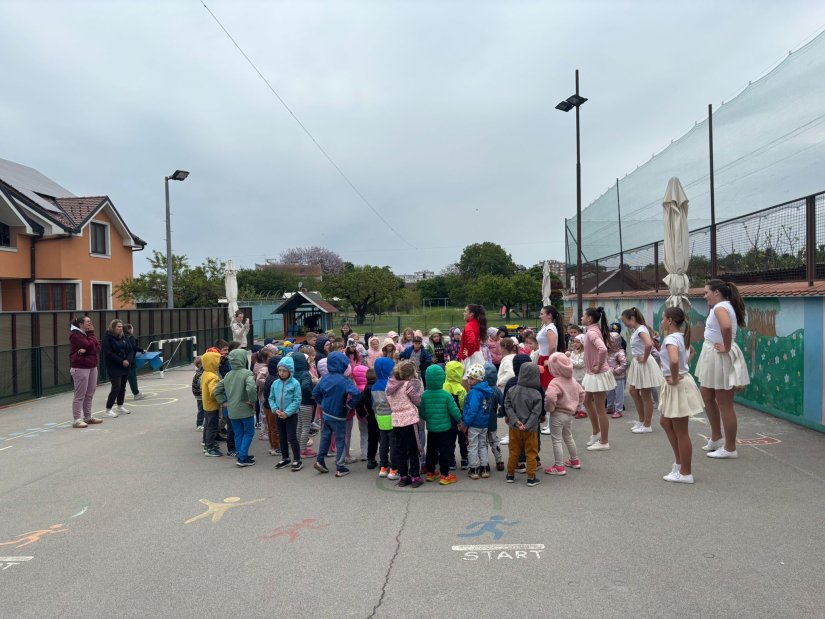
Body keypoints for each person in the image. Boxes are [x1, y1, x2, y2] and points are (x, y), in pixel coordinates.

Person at [696, 279, 750, 459]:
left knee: (725, 404)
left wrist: (726, 347)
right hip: (712, 355)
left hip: (719, 356)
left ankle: (730, 448)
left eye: (706, 292)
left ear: (716, 292)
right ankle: (716, 437)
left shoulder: (720, 307)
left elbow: (726, 326)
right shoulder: (722, 306)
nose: (705, 296)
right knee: (706, 395)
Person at [659, 307, 703, 483]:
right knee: (665, 422)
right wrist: (683, 369)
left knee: (681, 431)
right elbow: (691, 352)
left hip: (677, 385)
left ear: (670, 320)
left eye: (663, 319)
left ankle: (686, 473)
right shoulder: (681, 336)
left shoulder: (671, 338)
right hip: (677, 384)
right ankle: (679, 464)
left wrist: (676, 376)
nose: (662, 322)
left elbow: (674, 360)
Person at [313, 351, 361, 477]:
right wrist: (349, 406)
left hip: (326, 413)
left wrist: (322, 403)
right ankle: (340, 467)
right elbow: (356, 394)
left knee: (325, 437)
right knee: (340, 440)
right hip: (339, 414)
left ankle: (320, 460)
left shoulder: (324, 378)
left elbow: (315, 393)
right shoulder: (345, 381)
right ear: (343, 364)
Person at [621, 307, 664, 434]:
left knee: (646, 395)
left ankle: (647, 424)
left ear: (632, 318)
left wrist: (644, 358)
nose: (624, 324)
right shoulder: (638, 330)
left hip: (643, 363)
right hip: (638, 363)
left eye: (625, 321)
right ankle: (641, 421)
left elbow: (649, 344)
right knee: (633, 391)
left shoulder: (640, 330)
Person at [418, 364, 462, 485]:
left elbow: (422, 412)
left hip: (431, 428)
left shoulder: (424, 395)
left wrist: (428, 417)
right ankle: (444, 475)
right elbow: (454, 410)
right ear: (442, 378)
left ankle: (431, 472)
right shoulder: (446, 394)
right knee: (444, 451)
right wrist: (460, 420)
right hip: (445, 429)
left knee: (431, 450)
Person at [214, 349, 258, 467]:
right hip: (245, 408)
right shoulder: (247, 373)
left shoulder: (228, 375)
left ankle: (240, 454)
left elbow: (217, 390)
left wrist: (223, 402)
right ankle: (242, 457)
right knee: (249, 432)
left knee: (238, 433)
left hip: (232, 410)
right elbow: (251, 387)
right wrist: (252, 400)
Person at [543, 352, 584, 475]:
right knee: (568, 437)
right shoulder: (573, 381)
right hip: (569, 414)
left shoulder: (555, 382)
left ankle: (559, 466)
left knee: (556, 440)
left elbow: (550, 397)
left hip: (557, 413)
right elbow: (582, 394)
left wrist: (549, 408)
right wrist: (577, 407)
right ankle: (574, 460)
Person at [582, 307, 616, 451]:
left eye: (583, 315)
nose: (582, 318)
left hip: (598, 374)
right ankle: (596, 433)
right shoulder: (593, 330)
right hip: (593, 373)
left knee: (600, 408)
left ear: (589, 318)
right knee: (586, 401)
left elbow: (602, 349)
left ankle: (604, 441)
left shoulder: (592, 332)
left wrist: (599, 365)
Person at [386, 360, 424, 488]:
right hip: (409, 420)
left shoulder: (389, 386)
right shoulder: (407, 385)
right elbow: (417, 400)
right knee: (413, 449)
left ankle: (403, 476)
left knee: (400, 449)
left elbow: (388, 402)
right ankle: (415, 477)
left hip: (396, 421)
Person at [504, 362, 542, 487]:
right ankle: (531, 477)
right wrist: (527, 424)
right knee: (531, 452)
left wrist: (515, 421)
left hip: (514, 427)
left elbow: (507, 406)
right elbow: (536, 413)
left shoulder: (512, 390)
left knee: (514, 450)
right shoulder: (536, 394)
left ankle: (510, 474)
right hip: (530, 429)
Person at [269, 356, 303, 471]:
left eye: (284, 371)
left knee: (291, 437)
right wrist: (275, 409)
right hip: (279, 414)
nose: (282, 373)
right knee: (282, 436)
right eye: (280, 370)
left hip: (291, 415)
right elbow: (271, 398)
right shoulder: (275, 383)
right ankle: (285, 458)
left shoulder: (295, 383)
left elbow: (297, 400)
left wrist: (287, 413)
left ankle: (297, 459)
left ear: (290, 371)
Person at [68, 315, 103, 428]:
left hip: (92, 366)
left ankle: (88, 417)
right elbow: (89, 344)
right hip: (80, 367)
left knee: (90, 393)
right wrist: (91, 335)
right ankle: (77, 420)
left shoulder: (87, 334)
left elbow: (98, 347)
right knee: (80, 395)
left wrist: (86, 350)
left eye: (90, 321)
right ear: (80, 324)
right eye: (88, 321)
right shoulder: (75, 335)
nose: (90, 323)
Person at [462, 363, 493, 480]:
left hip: (474, 424)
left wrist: (465, 423)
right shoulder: (487, 390)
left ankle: (474, 469)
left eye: (472, 378)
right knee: (482, 445)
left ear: (479, 379)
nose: (469, 380)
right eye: (469, 377)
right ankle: (484, 468)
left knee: (473, 446)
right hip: (484, 423)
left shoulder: (474, 392)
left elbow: (472, 410)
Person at [102, 319, 133, 418]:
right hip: (114, 366)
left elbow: (130, 350)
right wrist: (121, 361)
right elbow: (108, 353)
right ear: (113, 327)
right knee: (116, 387)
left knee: (122, 387)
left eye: (121, 326)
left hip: (125, 365)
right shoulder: (107, 338)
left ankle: (120, 406)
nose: (120, 328)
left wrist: (128, 360)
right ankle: (108, 410)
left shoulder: (124, 337)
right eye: (118, 327)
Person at [372, 357, 396, 478]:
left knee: (383, 444)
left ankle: (383, 467)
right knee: (394, 444)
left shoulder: (374, 386)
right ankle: (394, 469)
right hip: (391, 416)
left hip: (380, 417)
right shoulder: (391, 384)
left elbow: (373, 405)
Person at [444, 360, 469, 470]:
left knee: (450, 441)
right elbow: (463, 404)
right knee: (463, 440)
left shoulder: (443, 387)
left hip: (448, 419)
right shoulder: (461, 389)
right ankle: (464, 460)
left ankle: (451, 461)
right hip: (460, 419)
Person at [291, 350, 316, 458]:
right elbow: (305, 386)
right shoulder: (305, 374)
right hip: (306, 403)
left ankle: (297, 448)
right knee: (306, 426)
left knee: (299, 426)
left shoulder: (293, 373)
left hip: (297, 403)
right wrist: (312, 394)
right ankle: (303, 450)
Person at [536, 305, 565, 390]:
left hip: (547, 358)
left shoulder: (550, 328)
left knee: (548, 386)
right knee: (543, 385)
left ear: (549, 315)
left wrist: (549, 360)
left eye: (542, 314)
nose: (540, 316)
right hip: (543, 358)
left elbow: (552, 346)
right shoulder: (546, 327)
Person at [200, 351, 223, 457]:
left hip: (206, 404)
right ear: (212, 362)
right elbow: (214, 392)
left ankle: (206, 444)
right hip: (212, 405)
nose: (219, 363)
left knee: (207, 425)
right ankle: (210, 447)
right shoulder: (213, 377)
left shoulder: (205, 373)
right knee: (212, 427)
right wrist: (222, 398)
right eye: (217, 361)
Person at [483, 363, 505, 472]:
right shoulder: (496, 390)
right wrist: (500, 413)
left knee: (483, 443)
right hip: (492, 421)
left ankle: (485, 464)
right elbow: (503, 403)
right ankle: (499, 461)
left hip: (482, 421)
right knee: (494, 441)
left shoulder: (482, 389)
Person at [358, 368, 379, 469]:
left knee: (372, 439)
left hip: (371, 416)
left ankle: (371, 459)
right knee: (384, 439)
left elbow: (359, 403)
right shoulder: (377, 388)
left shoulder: (365, 390)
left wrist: (363, 414)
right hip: (381, 414)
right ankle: (384, 460)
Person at [459, 305, 487, 371]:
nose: (463, 313)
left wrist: (469, 352)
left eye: (465, 311)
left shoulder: (469, 325)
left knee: (468, 376)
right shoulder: (476, 323)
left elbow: (471, 341)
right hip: (477, 354)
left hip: (471, 358)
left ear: (471, 314)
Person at [606, 332, 627, 419]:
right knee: (609, 392)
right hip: (609, 376)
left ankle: (618, 410)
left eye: (611, 342)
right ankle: (610, 407)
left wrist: (615, 371)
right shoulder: (608, 352)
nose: (609, 344)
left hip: (619, 377)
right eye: (608, 342)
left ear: (617, 342)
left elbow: (624, 364)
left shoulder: (620, 352)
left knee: (619, 394)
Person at [567, 334, 588, 418]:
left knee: (583, 394)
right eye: (574, 342)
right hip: (574, 376)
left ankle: (583, 410)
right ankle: (577, 409)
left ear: (582, 343)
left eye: (578, 342)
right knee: (576, 394)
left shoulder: (585, 353)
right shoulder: (573, 352)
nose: (575, 344)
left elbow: (580, 364)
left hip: (582, 376)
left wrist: (569, 359)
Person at [123, 324, 145, 401]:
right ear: (129, 329)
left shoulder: (121, 337)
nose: (133, 330)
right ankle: (136, 394)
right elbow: (134, 347)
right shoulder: (131, 337)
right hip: (130, 361)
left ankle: (116, 396)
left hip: (122, 360)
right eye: (132, 328)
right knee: (132, 378)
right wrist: (142, 350)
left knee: (120, 380)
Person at [192, 356, 204, 430]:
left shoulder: (200, 371)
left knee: (202, 409)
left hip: (199, 393)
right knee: (201, 409)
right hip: (200, 394)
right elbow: (200, 385)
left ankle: (201, 423)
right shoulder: (200, 373)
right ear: (199, 365)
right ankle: (199, 424)